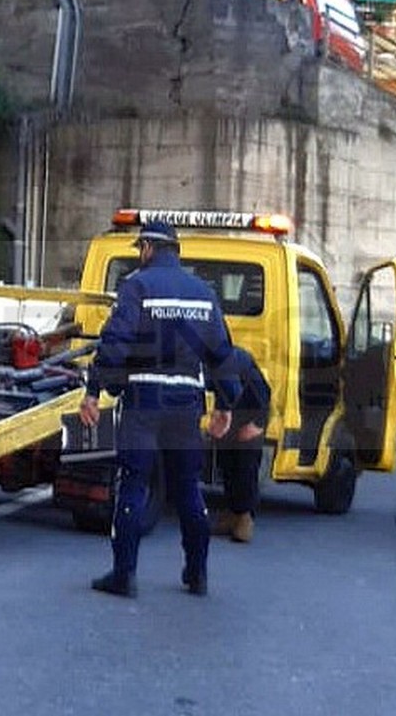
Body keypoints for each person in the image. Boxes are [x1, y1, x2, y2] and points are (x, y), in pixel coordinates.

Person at [79, 219, 240, 597]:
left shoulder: (137, 286)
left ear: (149, 249)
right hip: (186, 403)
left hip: (144, 401)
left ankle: (124, 575)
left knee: (133, 484)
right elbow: (221, 351)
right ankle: (197, 574)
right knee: (188, 488)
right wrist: (226, 402)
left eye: (140, 249)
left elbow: (115, 341)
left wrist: (93, 389)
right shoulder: (204, 293)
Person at [211, 345, 271, 543]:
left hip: (251, 415)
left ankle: (245, 518)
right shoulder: (208, 363)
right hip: (230, 415)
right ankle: (232, 512)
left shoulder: (239, 361)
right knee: (227, 466)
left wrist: (256, 424)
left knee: (245, 468)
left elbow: (263, 393)